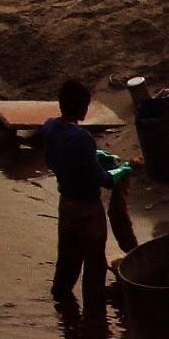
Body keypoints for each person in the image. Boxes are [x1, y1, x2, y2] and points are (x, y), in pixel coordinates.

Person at [41, 79, 112, 311]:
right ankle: (94, 316)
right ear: (82, 107)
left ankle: (62, 306)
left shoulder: (50, 128)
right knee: (94, 265)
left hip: (66, 205)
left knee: (67, 262)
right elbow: (99, 178)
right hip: (87, 210)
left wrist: (95, 155)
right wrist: (120, 173)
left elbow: (64, 159)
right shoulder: (81, 138)